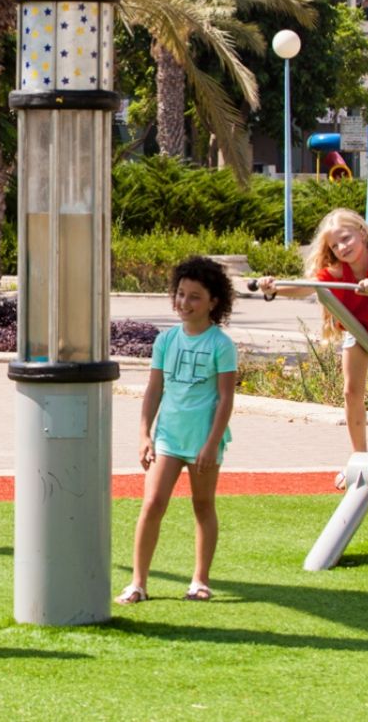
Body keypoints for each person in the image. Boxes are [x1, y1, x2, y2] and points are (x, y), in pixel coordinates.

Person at [257, 207, 368, 488]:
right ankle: (358, 459)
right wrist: (274, 288)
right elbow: (307, 287)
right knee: (351, 391)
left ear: (362, 233)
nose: (342, 247)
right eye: (335, 245)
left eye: (346, 239)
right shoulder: (335, 272)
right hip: (357, 325)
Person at [116, 257, 237, 605]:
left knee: (203, 505)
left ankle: (200, 580)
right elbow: (154, 390)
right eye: (181, 294)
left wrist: (212, 442)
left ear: (213, 301)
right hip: (168, 438)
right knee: (152, 503)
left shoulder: (220, 344)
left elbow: (226, 399)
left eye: (195, 296)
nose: (185, 303)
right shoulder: (166, 341)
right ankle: (137, 583)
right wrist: (143, 434)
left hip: (204, 440)